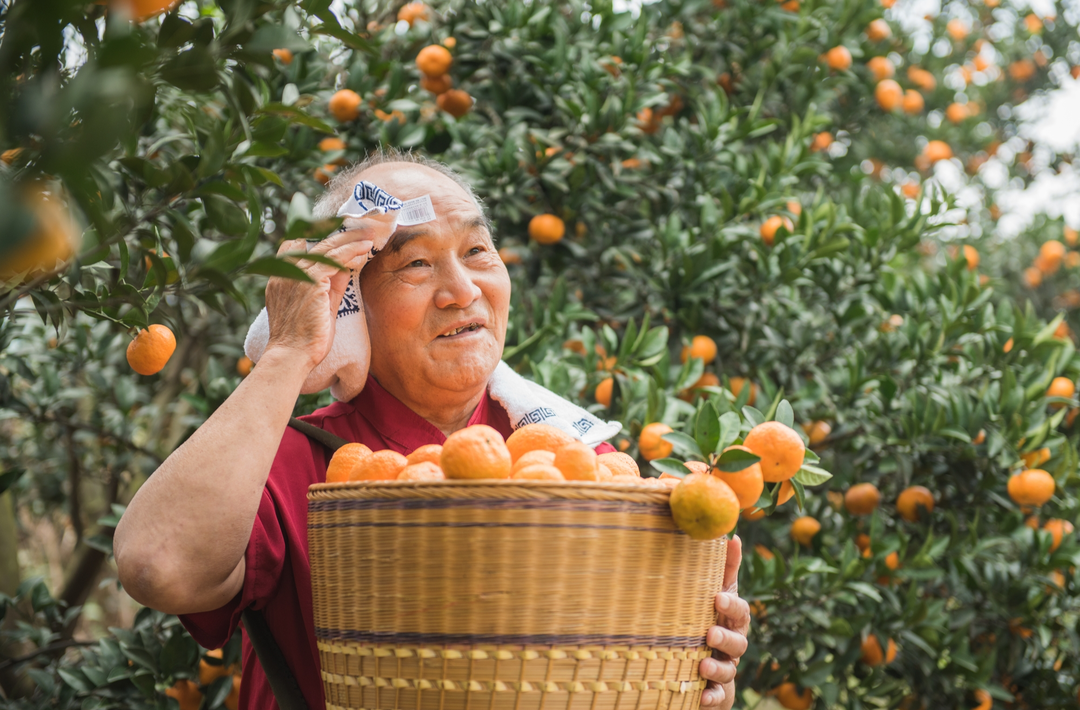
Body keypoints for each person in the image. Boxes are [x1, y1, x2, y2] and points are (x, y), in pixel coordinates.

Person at [113, 150, 750, 710]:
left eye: (477, 251)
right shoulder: (289, 462)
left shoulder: (577, 458)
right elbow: (158, 566)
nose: (462, 289)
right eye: (415, 263)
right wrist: (288, 351)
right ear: (348, 306)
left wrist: (690, 671)